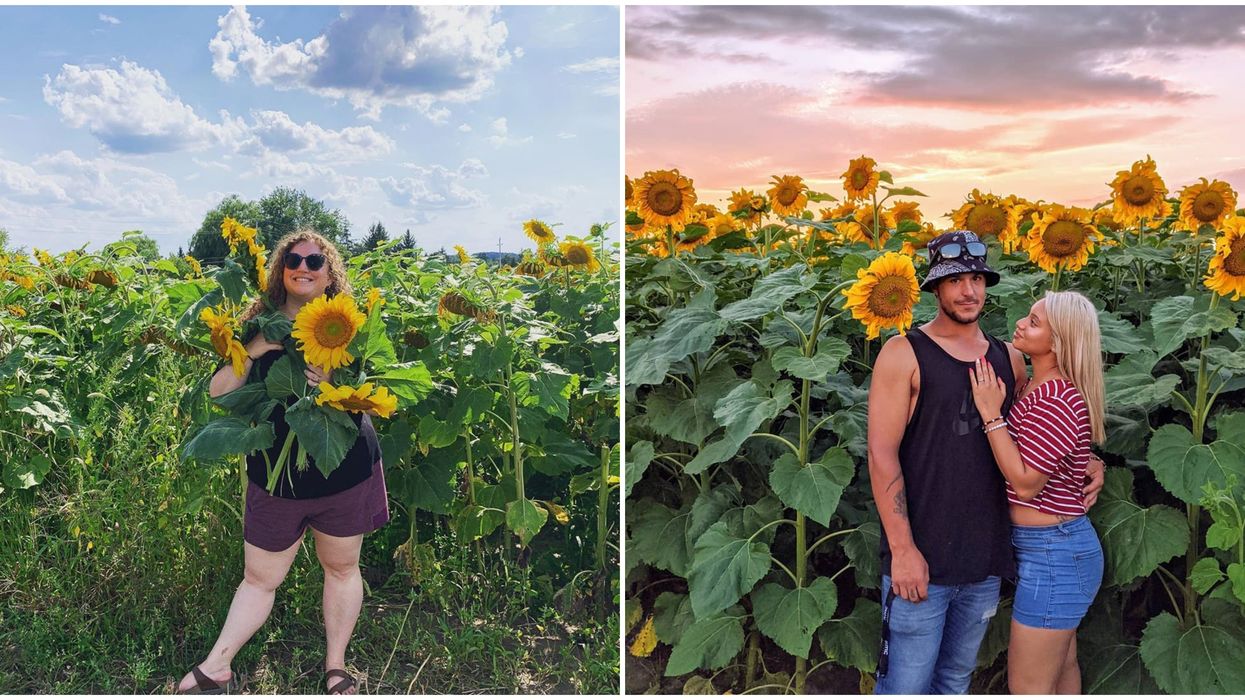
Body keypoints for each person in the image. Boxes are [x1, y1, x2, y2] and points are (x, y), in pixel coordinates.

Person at [866, 230, 1103, 694]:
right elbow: (881, 455)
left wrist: (1088, 459)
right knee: (905, 685)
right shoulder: (903, 354)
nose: (968, 290)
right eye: (955, 281)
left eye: (977, 278)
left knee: (956, 680)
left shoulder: (1009, 359)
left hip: (985, 560)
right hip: (923, 560)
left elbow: (1040, 435)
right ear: (936, 287)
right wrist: (903, 551)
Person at [177, 229, 388, 695]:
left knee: (341, 568)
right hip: (278, 476)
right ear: (281, 268)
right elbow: (218, 393)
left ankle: (336, 668)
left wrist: (333, 380)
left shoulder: (354, 329)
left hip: (343, 470)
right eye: (294, 259)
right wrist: (252, 353)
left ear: (329, 272)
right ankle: (218, 665)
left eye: (315, 261)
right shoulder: (259, 324)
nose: (303, 267)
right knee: (260, 577)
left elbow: (373, 396)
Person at [968, 291, 1105, 694]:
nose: (1021, 325)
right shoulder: (1036, 387)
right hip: (1050, 550)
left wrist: (990, 414)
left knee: (1028, 687)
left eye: (1034, 322)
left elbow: (1027, 484)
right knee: (1061, 671)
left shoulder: (1055, 397)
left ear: (1059, 341)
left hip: (1054, 555)